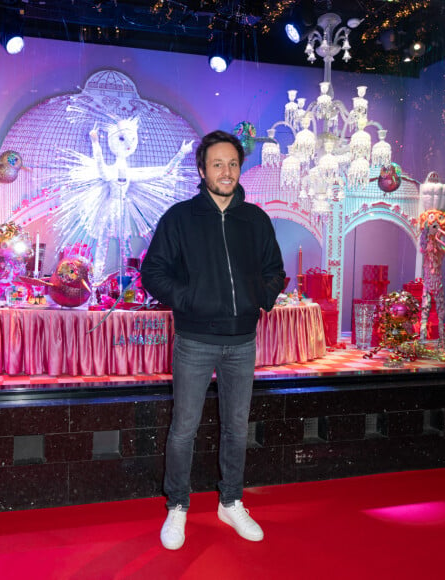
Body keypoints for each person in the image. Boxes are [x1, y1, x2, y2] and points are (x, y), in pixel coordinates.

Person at [141, 130, 286, 550]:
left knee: (236, 428)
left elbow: (273, 269)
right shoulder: (180, 218)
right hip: (195, 339)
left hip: (243, 341)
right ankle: (178, 506)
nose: (226, 171)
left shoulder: (255, 218)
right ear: (202, 169)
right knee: (184, 428)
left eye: (233, 164)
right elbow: (154, 273)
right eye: (217, 164)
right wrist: (191, 300)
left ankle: (231, 501)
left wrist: (261, 297)